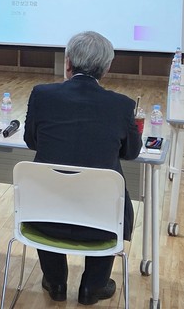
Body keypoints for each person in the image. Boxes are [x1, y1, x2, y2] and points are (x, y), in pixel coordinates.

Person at [23, 31, 141, 305]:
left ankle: (55, 282)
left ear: (68, 63)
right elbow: (131, 152)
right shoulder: (122, 105)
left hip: (44, 216)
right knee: (112, 187)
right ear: (107, 68)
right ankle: (93, 287)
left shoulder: (42, 94)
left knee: (50, 187)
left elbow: (31, 141)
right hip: (101, 222)